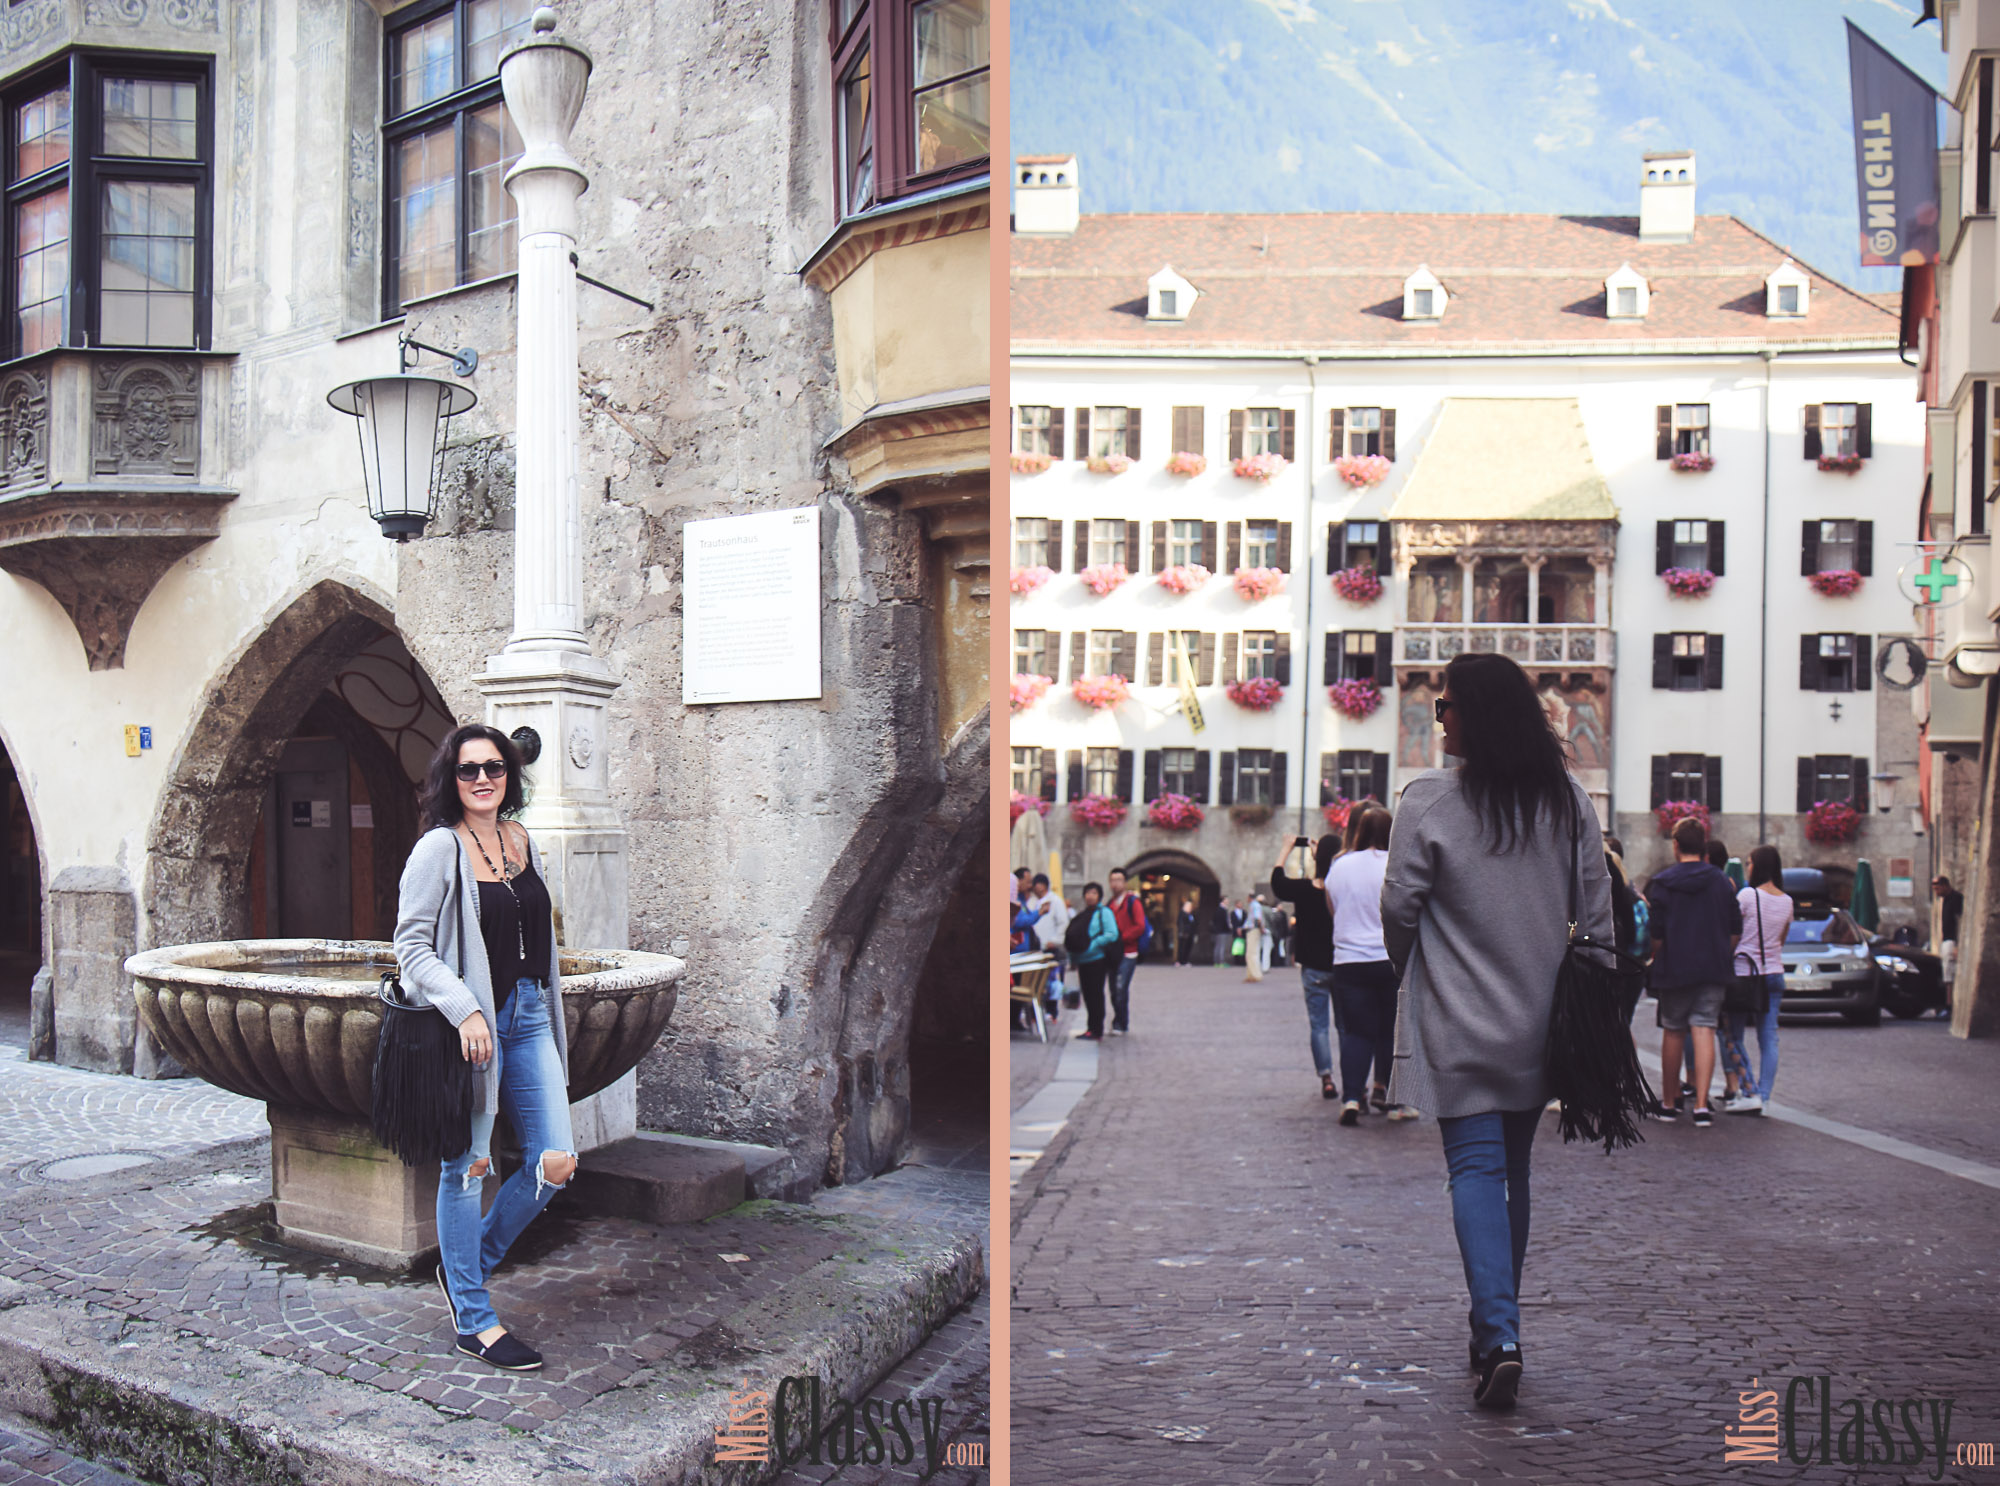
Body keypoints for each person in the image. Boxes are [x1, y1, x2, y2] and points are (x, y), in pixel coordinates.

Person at [1380, 652, 1613, 1412]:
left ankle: (1500, 1336)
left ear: (1470, 715)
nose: (1438, 715)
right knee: (1512, 1174)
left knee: (1475, 1172)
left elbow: (1398, 910)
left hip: (1461, 1015)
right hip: (1543, 1017)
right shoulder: (1569, 799)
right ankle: (1494, 1330)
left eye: (1444, 704)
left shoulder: (1428, 801)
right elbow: (1596, 912)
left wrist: (1407, 961)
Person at [394, 724, 575, 1373]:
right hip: (474, 1028)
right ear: (451, 778)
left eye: (494, 767)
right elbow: (410, 948)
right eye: (469, 769)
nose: (482, 779)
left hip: (528, 1018)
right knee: (467, 1168)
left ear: (509, 775)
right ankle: (475, 1318)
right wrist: (465, 1006)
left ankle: (464, 1269)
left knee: (555, 1163)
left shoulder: (522, 840)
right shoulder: (438, 849)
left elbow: (539, 941)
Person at [1644, 817, 1742, 1128]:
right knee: (1704, 1029)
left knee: (1673, 1030)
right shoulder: (1721, 882)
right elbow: (1734, 929)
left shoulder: (1663, 883)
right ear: (1703, 846)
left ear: (1676, 846)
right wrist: (1721, 953)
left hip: (1675, 966)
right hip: (1713, 966)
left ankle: (1670, 1101)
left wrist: (1658, 953)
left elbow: (1655, 932)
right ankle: (1701, 1104)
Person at [1327, 806, 1407, 1124]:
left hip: (1349, 959)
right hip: (1387, 957)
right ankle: (1382, 1088)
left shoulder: (1340, 865)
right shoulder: (1394, 864)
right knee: (1388, 1030)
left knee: (1356, 1033)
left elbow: (1333, 908)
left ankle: (1350, 1097)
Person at [1720, 845, 1794, 1114]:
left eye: (1750, 862)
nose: (1748, 867)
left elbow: (1734, 932)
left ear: (1758, 866)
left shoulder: (1748, 896)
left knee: (1732, 1034)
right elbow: (1781, 940)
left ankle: (1748, 1089)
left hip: (1744, 973)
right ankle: (1764, 1096)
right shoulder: (1787, 901)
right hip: (1774, 973)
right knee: (1769, 1037)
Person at [1272, 834, 1341, 1100]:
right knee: (1346, 1027)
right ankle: (1354, 1081)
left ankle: (1326, 1076)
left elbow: (1277, 883)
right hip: (1341, 964)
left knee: (1319, 1026)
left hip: (1313, 967)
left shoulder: (1303, 890)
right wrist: (1321, 855)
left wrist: (1286, 848)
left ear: (1317, 857)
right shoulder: (1341, 888)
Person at [1067, 883, 1120, 1040]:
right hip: (1083, 961)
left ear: (1099, 896)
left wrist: (1093, 944)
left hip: (1096, 960)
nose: (1090, 896)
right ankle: (1091, 1027)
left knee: (1096, 994)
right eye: (1088, 893)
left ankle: (1097, 1029)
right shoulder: (1083, 914)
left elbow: (1112, 934)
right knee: (1088, 995)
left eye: (1094, 893)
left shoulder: (1104, 913)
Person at [1105, 868, 1146, 1034]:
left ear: (1125, 882)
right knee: (1114, 989)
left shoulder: (1132, 902)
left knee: (1121, 987)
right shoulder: (1109, 904)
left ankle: (1120, 1023)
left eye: (1119, 880)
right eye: (1113, 880)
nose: (1115, 884)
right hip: (1112, 954)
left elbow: (1140, 926)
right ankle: (1120, 1020)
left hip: (1128, 952)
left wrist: (1122, 938)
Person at [1934, 875, 1964, 990]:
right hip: (1946, 939)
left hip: (1952, 940)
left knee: (1949, 972)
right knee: (1946, 971)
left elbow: (1958, 921)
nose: (1936, 892)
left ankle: (1949, 1003)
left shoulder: (1955, 898)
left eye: (1938, 889)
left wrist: (1957, 944)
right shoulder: (1945, 899)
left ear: (1945, 886)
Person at [1242, 893, 1267, 982]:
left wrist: (1261, 928)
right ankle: (1251, 975)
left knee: (1252, 953)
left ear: (1249, 898)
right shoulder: (1254, 905)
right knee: (1250, 953)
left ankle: (1255, 975)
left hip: (1253, 929)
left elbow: (1257, 919)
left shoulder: (1254, 905)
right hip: (1253, 929)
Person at [1212, 897, 1235, 967]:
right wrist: (1229, 928)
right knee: (1221, 947)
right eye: (1226, 900)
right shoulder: (1222, 910)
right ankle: (1220, 962)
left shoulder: (1220, 909)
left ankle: (1217, 962)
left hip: (1219, 930)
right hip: (1222, 930)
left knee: (1218, 946)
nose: (1228, 901)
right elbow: (1225, 921)